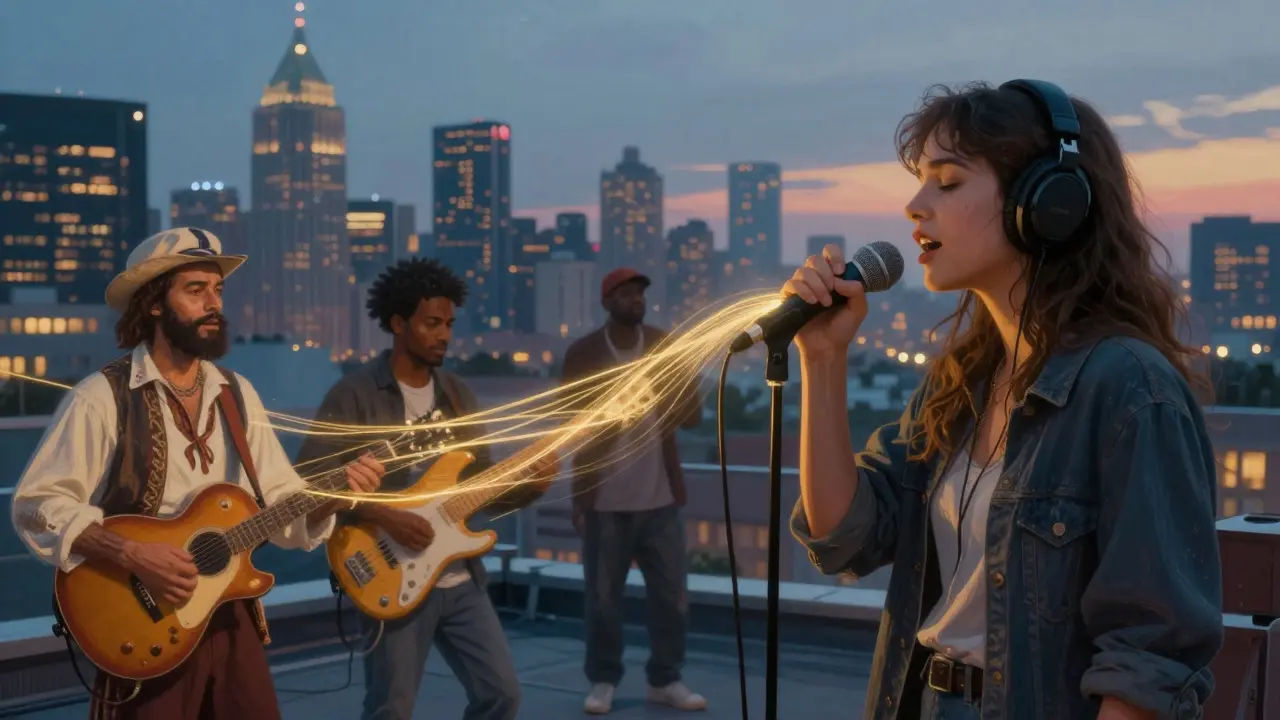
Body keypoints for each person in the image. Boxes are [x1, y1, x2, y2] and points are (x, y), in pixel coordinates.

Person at [785, 79, 1224, 719]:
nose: (915, 205)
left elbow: (1148, 660)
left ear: (1048, 203)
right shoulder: (961, 384)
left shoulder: (1129, 389)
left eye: (948, 181)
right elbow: (843, 536)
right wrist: (822, 361)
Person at [9, 227, 386, 720]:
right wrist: (134, 553)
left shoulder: (237, 392)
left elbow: (281, 501)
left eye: (218, 289)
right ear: (154, 305)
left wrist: (334, 496)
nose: (214, 303)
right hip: (143, 619)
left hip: (232, 616)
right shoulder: (102, 396)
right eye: (195, 290)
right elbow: (39, 506)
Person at [294, 257, 557, 720]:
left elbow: (483, 486)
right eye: (432, 322)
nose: (445, 335)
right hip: (386, 569)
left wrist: (530, 484)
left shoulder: (458, 395)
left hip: (459, 577)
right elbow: (310, 480)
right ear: (398, 323)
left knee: (502, 695)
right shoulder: (354, 394)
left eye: (450, 323)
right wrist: (383, 515)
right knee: (390, 710)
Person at [559, 267, 706, 715]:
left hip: (660, 499)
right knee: (603, 600)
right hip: (604, 502)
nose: (635, 300)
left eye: (640, 293)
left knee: (672, 597)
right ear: (607, 302)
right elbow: (571, 428)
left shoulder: (662, 345)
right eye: (625, 294)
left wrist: (680, 379)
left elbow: (694, 416)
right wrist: (578, 498)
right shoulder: (584, 354)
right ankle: (603, 679)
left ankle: (666, 679)